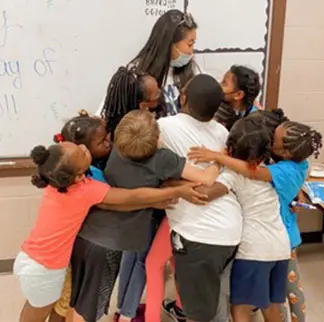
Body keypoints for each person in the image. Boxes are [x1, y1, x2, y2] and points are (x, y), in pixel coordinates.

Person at [13, 140, 196, 322]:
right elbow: (131, 196)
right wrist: (177, 192)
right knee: (35, 316)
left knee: (49, 309)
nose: (84, 147)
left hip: (32, 259)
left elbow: (113, 203)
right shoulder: (85, 189)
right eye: (81, 153)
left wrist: (152, 203)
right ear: (77, 176)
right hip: (44, 269)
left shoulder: (56, 184)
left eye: (80, 146)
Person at [69, 109, 221, 322]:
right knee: (91, 306)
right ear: (158, 138)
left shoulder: (117, 150)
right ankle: (126, 313)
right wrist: (220, 157)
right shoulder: (162, 159)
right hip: (117, 240)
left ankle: (123, 311)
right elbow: (206, 178)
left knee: (80, 299)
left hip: (93, 233)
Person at [189, 120, 323, 322]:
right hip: (280, 246)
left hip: (255, 251)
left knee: (240, 308)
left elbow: (207, 194)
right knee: (269, 304)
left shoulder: (239, 174)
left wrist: (216, 159)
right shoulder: (282, 165)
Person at [156, 74, 242, 322]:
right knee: (214, 303)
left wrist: (173, 183)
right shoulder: (222, 131)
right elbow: (226, 175)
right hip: (231, 229)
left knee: (198, 314)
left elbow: (151, 167)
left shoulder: (164, 126)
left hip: (200, 237)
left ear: (182, 97)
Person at [49, 111, 112, 322]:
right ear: (83, 149)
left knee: (69, 296)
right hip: (84, 246)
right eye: (102, 141)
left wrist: (97, 124)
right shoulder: (92, 180)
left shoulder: (62, 169)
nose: (109, 142)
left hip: (72, 245)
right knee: (75, 299)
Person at [214, 65, 261, 131]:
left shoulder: (252, 124)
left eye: (224, 83)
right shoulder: (219, 106)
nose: (219, 85)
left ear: (238, 95)